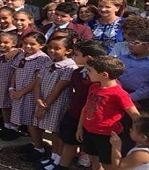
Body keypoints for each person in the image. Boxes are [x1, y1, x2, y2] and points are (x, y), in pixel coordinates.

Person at [76, 56, 140, 170]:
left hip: (107, 135)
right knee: (93, 159)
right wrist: (80, 127)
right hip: (89, 131)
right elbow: (86, 108)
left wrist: (140, 136)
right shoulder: (94, 87)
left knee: (107, 164)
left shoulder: (119, 94)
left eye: (90, 71)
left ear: (104, 74)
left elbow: (135, 115)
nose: (87, 73)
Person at [56, 40, 107, 170]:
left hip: (92, 119)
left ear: (88, 57)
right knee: (69, 141)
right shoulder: (77, 73)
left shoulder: (102, 79)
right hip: (74, 113)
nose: (74, 57)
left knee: (94, 153)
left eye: (77, 54)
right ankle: (62, 166)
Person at [33, 36, 78, 168]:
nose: (52, 50)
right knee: (53, 131)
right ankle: (52, 156)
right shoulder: (49, 62)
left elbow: (59, 88)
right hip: (43, 101)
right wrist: (37, 99)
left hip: (56, 104)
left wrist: (44, 106)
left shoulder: (70, 67)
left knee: (58, 132)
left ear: (68, 50)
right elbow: (38, 82)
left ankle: (58, 159)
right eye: (50, 47)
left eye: (57, 48)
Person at [10, 32, 52, 162]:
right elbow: (16, 71)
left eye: (32, 44)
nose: (28, 46)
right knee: (26, 122)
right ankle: (35, 145)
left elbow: (37, 80)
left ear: (42, 45)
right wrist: (12, 88)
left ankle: (40, 149)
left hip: (30, 95)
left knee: (32, 124)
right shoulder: (22, 55)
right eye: (25, 43)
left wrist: (22, 91)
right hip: (18, 93)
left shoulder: (43, 59)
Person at [117, 28, 149, 112]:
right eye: (129, 42)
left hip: (141, 101)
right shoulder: (122, 58)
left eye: (134, 42)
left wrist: (132, 97)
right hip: (119, 95)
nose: (130, 45)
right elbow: (115, 76)